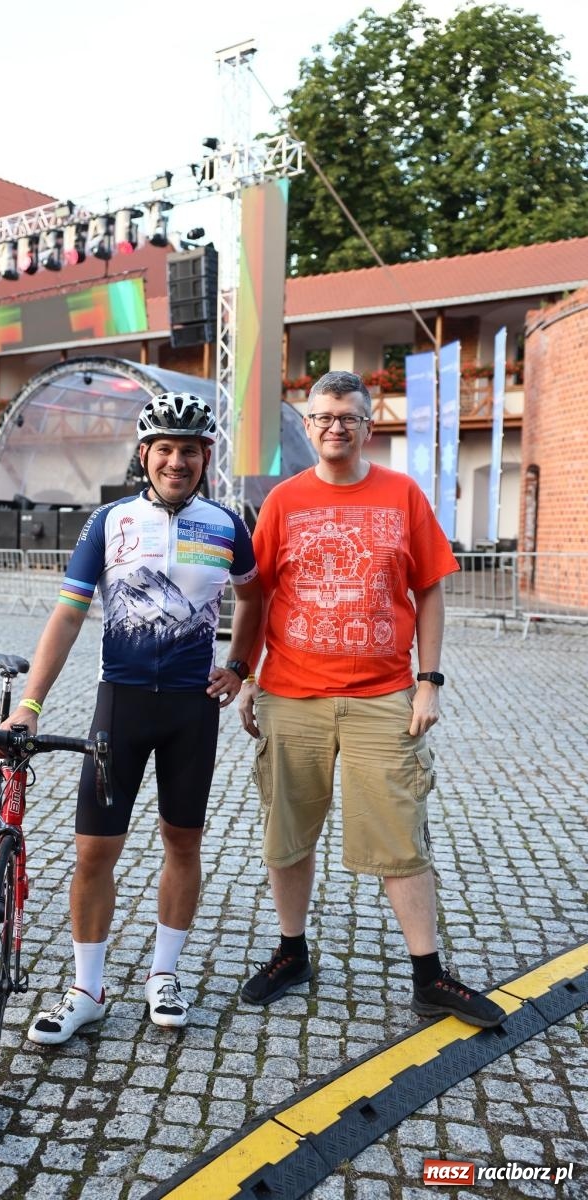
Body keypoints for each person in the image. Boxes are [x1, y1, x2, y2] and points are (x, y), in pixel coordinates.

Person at [238, 370, 504, 1028]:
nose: (335, 427)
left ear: (368, 425)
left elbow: (431, 589)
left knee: (400, 838)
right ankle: (291, 952)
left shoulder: (402, 494)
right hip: (290, 694)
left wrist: (429, 680)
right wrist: (245, 675)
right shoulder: (282, 502)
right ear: (308, 426)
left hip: (384, 696)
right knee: (287, 834)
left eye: (348, 417)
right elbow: (258, 595)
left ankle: (429, 973)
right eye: (324, 416)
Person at [3, 392, 262, 1045]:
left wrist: (239, 666)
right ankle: (87, 989)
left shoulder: (228, 524)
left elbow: (256, 597)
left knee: (183, 844)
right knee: (94, 852)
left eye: (190, 451)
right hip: (119, 703)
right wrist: (28, 706)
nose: (177, 461)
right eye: (165, 450)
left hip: (190, 711)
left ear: (206, 458)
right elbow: (66, 616)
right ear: (145, 456)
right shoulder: (108, 522)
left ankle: (163, 976)